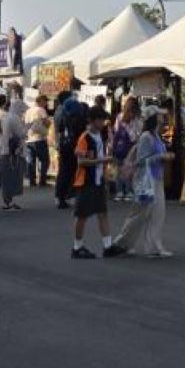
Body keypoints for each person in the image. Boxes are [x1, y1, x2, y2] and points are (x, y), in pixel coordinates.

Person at [114, 107, 174, 258]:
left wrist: (162, 156)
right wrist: (161, 157)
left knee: (157, 214)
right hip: (147, 180)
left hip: (155, 179)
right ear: (154, 117)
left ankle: (152, 247)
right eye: (159, 114)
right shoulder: (147, 137)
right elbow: (141, 161)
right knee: (140, 214)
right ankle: (122, 243)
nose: (162, 116)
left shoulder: (155, 135)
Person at [71, 106, 125, 259]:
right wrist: (102, 160)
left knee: (102, 213)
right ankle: (77, 247)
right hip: (85, 182)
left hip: (97, 180)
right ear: (93, 120)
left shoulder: (98, 136)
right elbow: (81, 161)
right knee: (82, 215)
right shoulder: (85, 138)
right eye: (100, 120)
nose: (103, 123)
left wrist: (105, 176)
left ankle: (108, 246)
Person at [54, 92, 84, 210]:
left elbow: (59, 129)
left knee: (64, 171)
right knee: (69, 171)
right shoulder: (70, 113)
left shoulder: (61, 112)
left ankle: (61, 196)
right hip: (71, 145)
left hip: (64, 144)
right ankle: (64, 195)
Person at [0, 99, 28, 211]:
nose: (23, 112)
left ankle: (8, 201)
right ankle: (9, 202)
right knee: (13, 176)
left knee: (7, 177)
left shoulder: (6, 117)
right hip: (13, 152)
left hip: (5, 150)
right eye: (22, 110)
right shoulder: (15, 118)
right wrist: (28, 127)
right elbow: (21, 134)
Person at [112, 96, 142, 202]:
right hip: (131, 146)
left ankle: (120, 192)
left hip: (120, 147)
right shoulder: (137, 118)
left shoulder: (119, 117)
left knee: (120, 170)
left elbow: (116, 132)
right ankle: (129, 191)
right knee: (130, 169)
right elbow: (138, 134)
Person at [24, 94, 51, 187]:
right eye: (45, 101)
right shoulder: (41, 110)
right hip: (40, 138)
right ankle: (42, 181)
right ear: (41, 101)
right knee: (45, 160)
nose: (46, 103)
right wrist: (49, 124)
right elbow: (46, 122)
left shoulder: (28, 111)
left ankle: (32, 181)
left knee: (31, 161)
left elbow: (25, 123)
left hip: (29, 139)